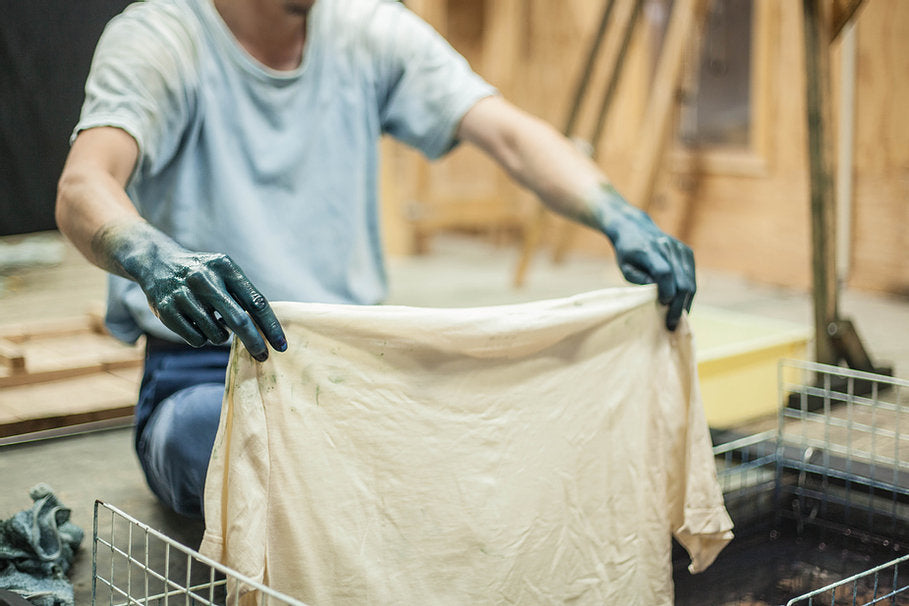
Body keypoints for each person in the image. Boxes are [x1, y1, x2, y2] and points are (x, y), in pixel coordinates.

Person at [56, 0, 696, 519]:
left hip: (352, 364)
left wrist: (619, 216)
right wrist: (152, 256)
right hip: (206, 371)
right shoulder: (162, 38)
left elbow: (509, 133)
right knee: (214, 445)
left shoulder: (366, 29)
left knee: (507, 432)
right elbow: (85, 185)